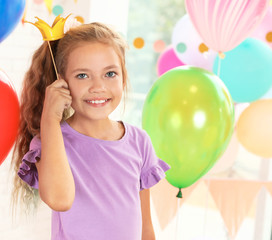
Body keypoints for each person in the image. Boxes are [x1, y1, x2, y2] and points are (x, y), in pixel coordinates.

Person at [11, 20, 170, 240]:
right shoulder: (50, 141)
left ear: (123, 77)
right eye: (83, 75)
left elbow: (145, 227)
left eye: (110, 74)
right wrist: (50, 117)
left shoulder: (139, 142)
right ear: (62, 83)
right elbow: (60, 199)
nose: (98, 87)